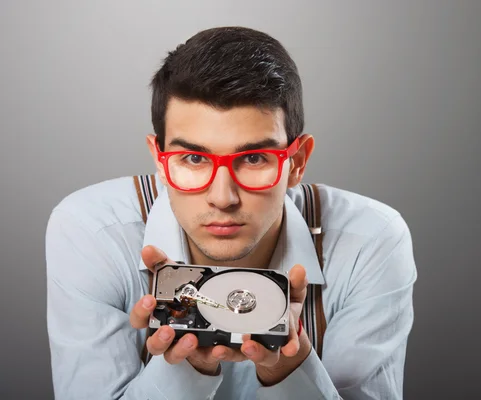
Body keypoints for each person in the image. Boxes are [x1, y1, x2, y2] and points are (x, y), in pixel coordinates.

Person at [45, 26, 417, 400]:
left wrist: (290, 367)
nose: (223, 197)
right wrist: (189, 367)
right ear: (159, 162)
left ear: (298, 162)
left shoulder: (370, 240)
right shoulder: (91, 231)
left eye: (254, 158)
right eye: (193, 158)